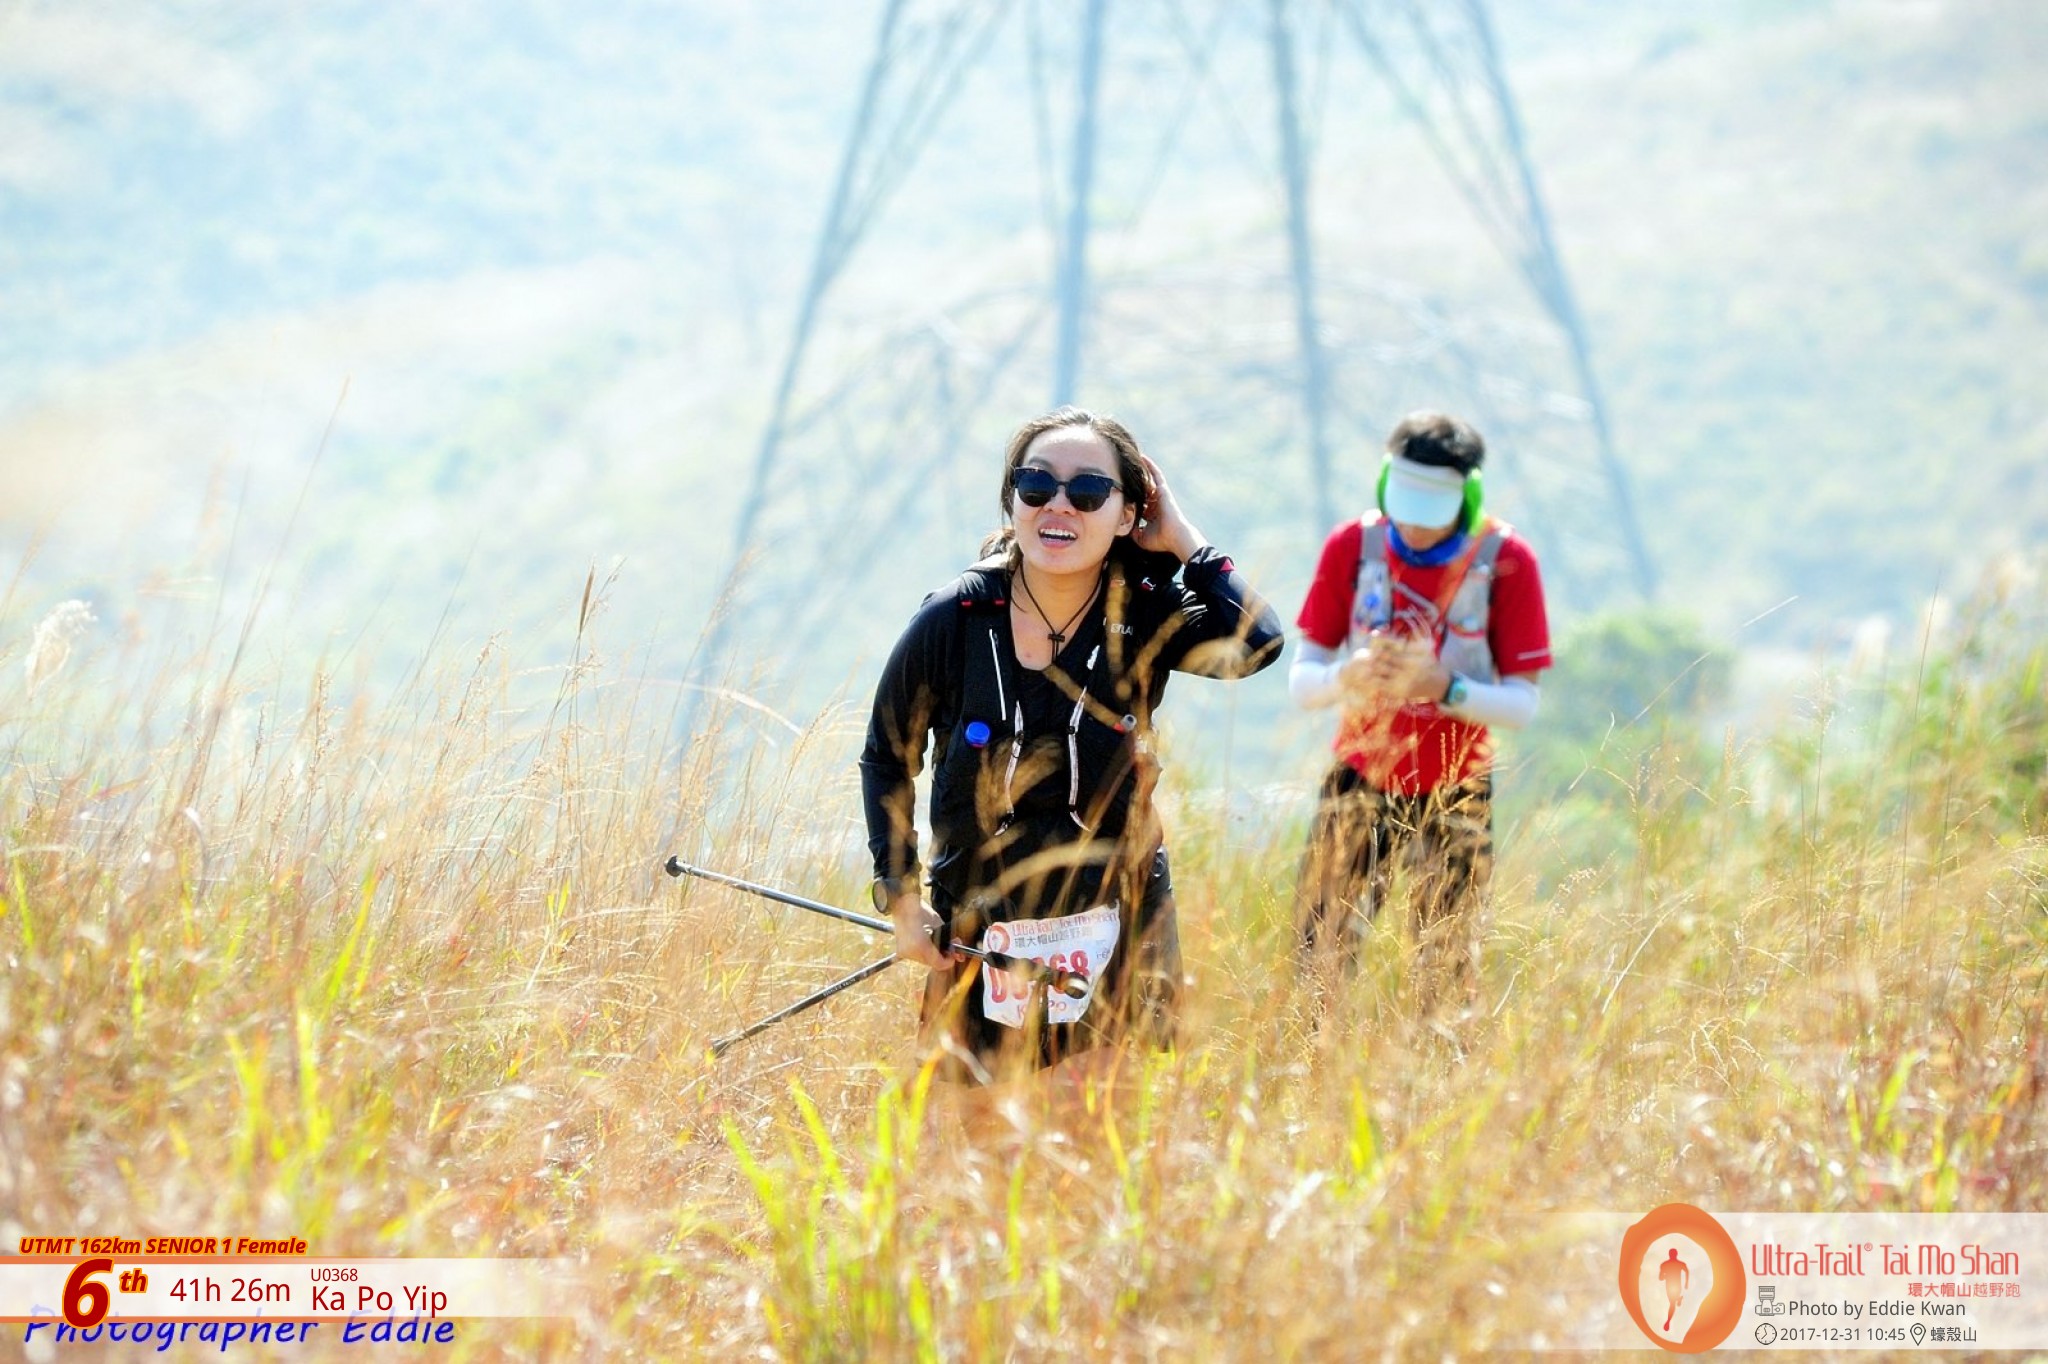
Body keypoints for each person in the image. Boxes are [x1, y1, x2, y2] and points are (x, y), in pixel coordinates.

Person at [861, 406, 1282, 1093]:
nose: (1058, 504)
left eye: (1088, 491)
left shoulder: (1145, 612)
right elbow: (886, 757)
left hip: (1119, 913)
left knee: (1099, 1129)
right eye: (1037, 486)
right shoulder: (956, 617)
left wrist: (1182, 538)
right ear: (1014, 500)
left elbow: (1257, 642)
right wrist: (903, 898)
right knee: (973, 1133)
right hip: (984, 919)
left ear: (1127, 514)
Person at [1289, 411, 1552, 1008]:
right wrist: (1349, 676)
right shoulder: (1354, 547)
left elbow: (1521, 705)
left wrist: (1443, 687)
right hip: (1358, 776)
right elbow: (1304, 683)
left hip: (1458, 785)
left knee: (1446, 965)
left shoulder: (1506, 560)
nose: (1413, 524)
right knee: (1319, 956)